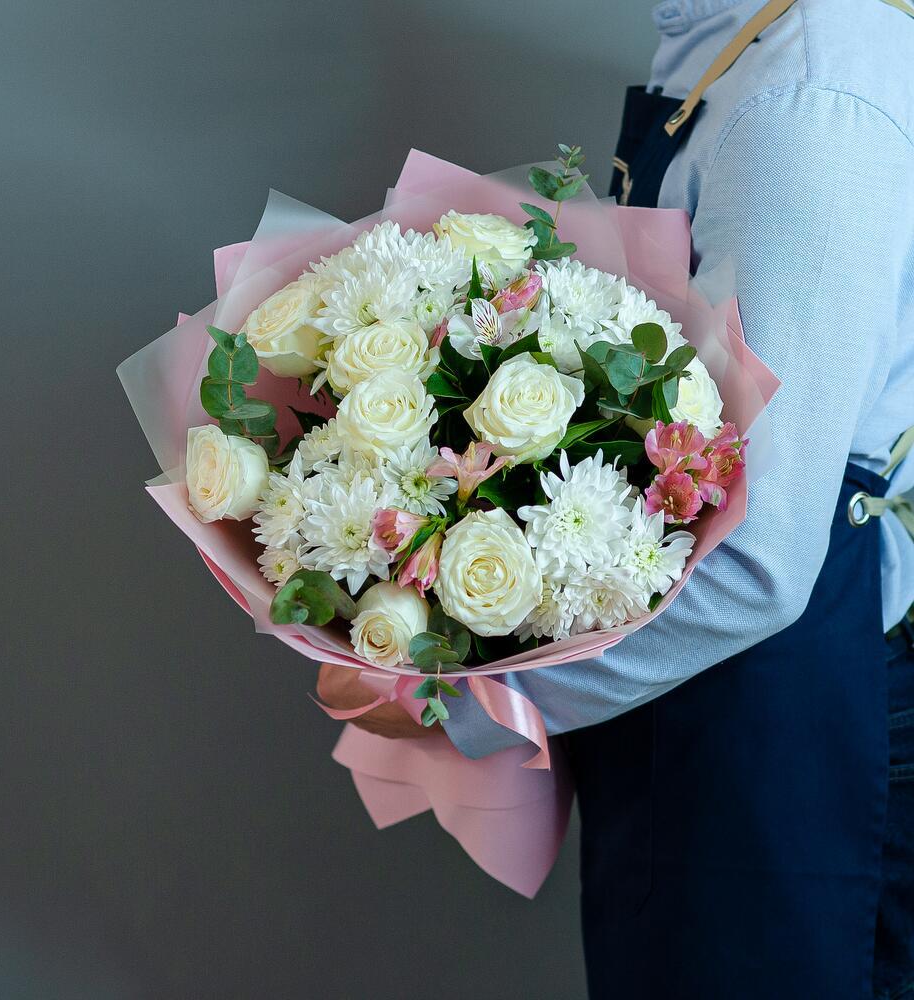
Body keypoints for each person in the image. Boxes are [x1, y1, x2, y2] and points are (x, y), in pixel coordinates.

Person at [319, 0, 914, 994]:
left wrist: (454, 701)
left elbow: (760, 562)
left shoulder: (811, 95)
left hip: (780, 724)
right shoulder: (735, 35)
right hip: (701, 702)